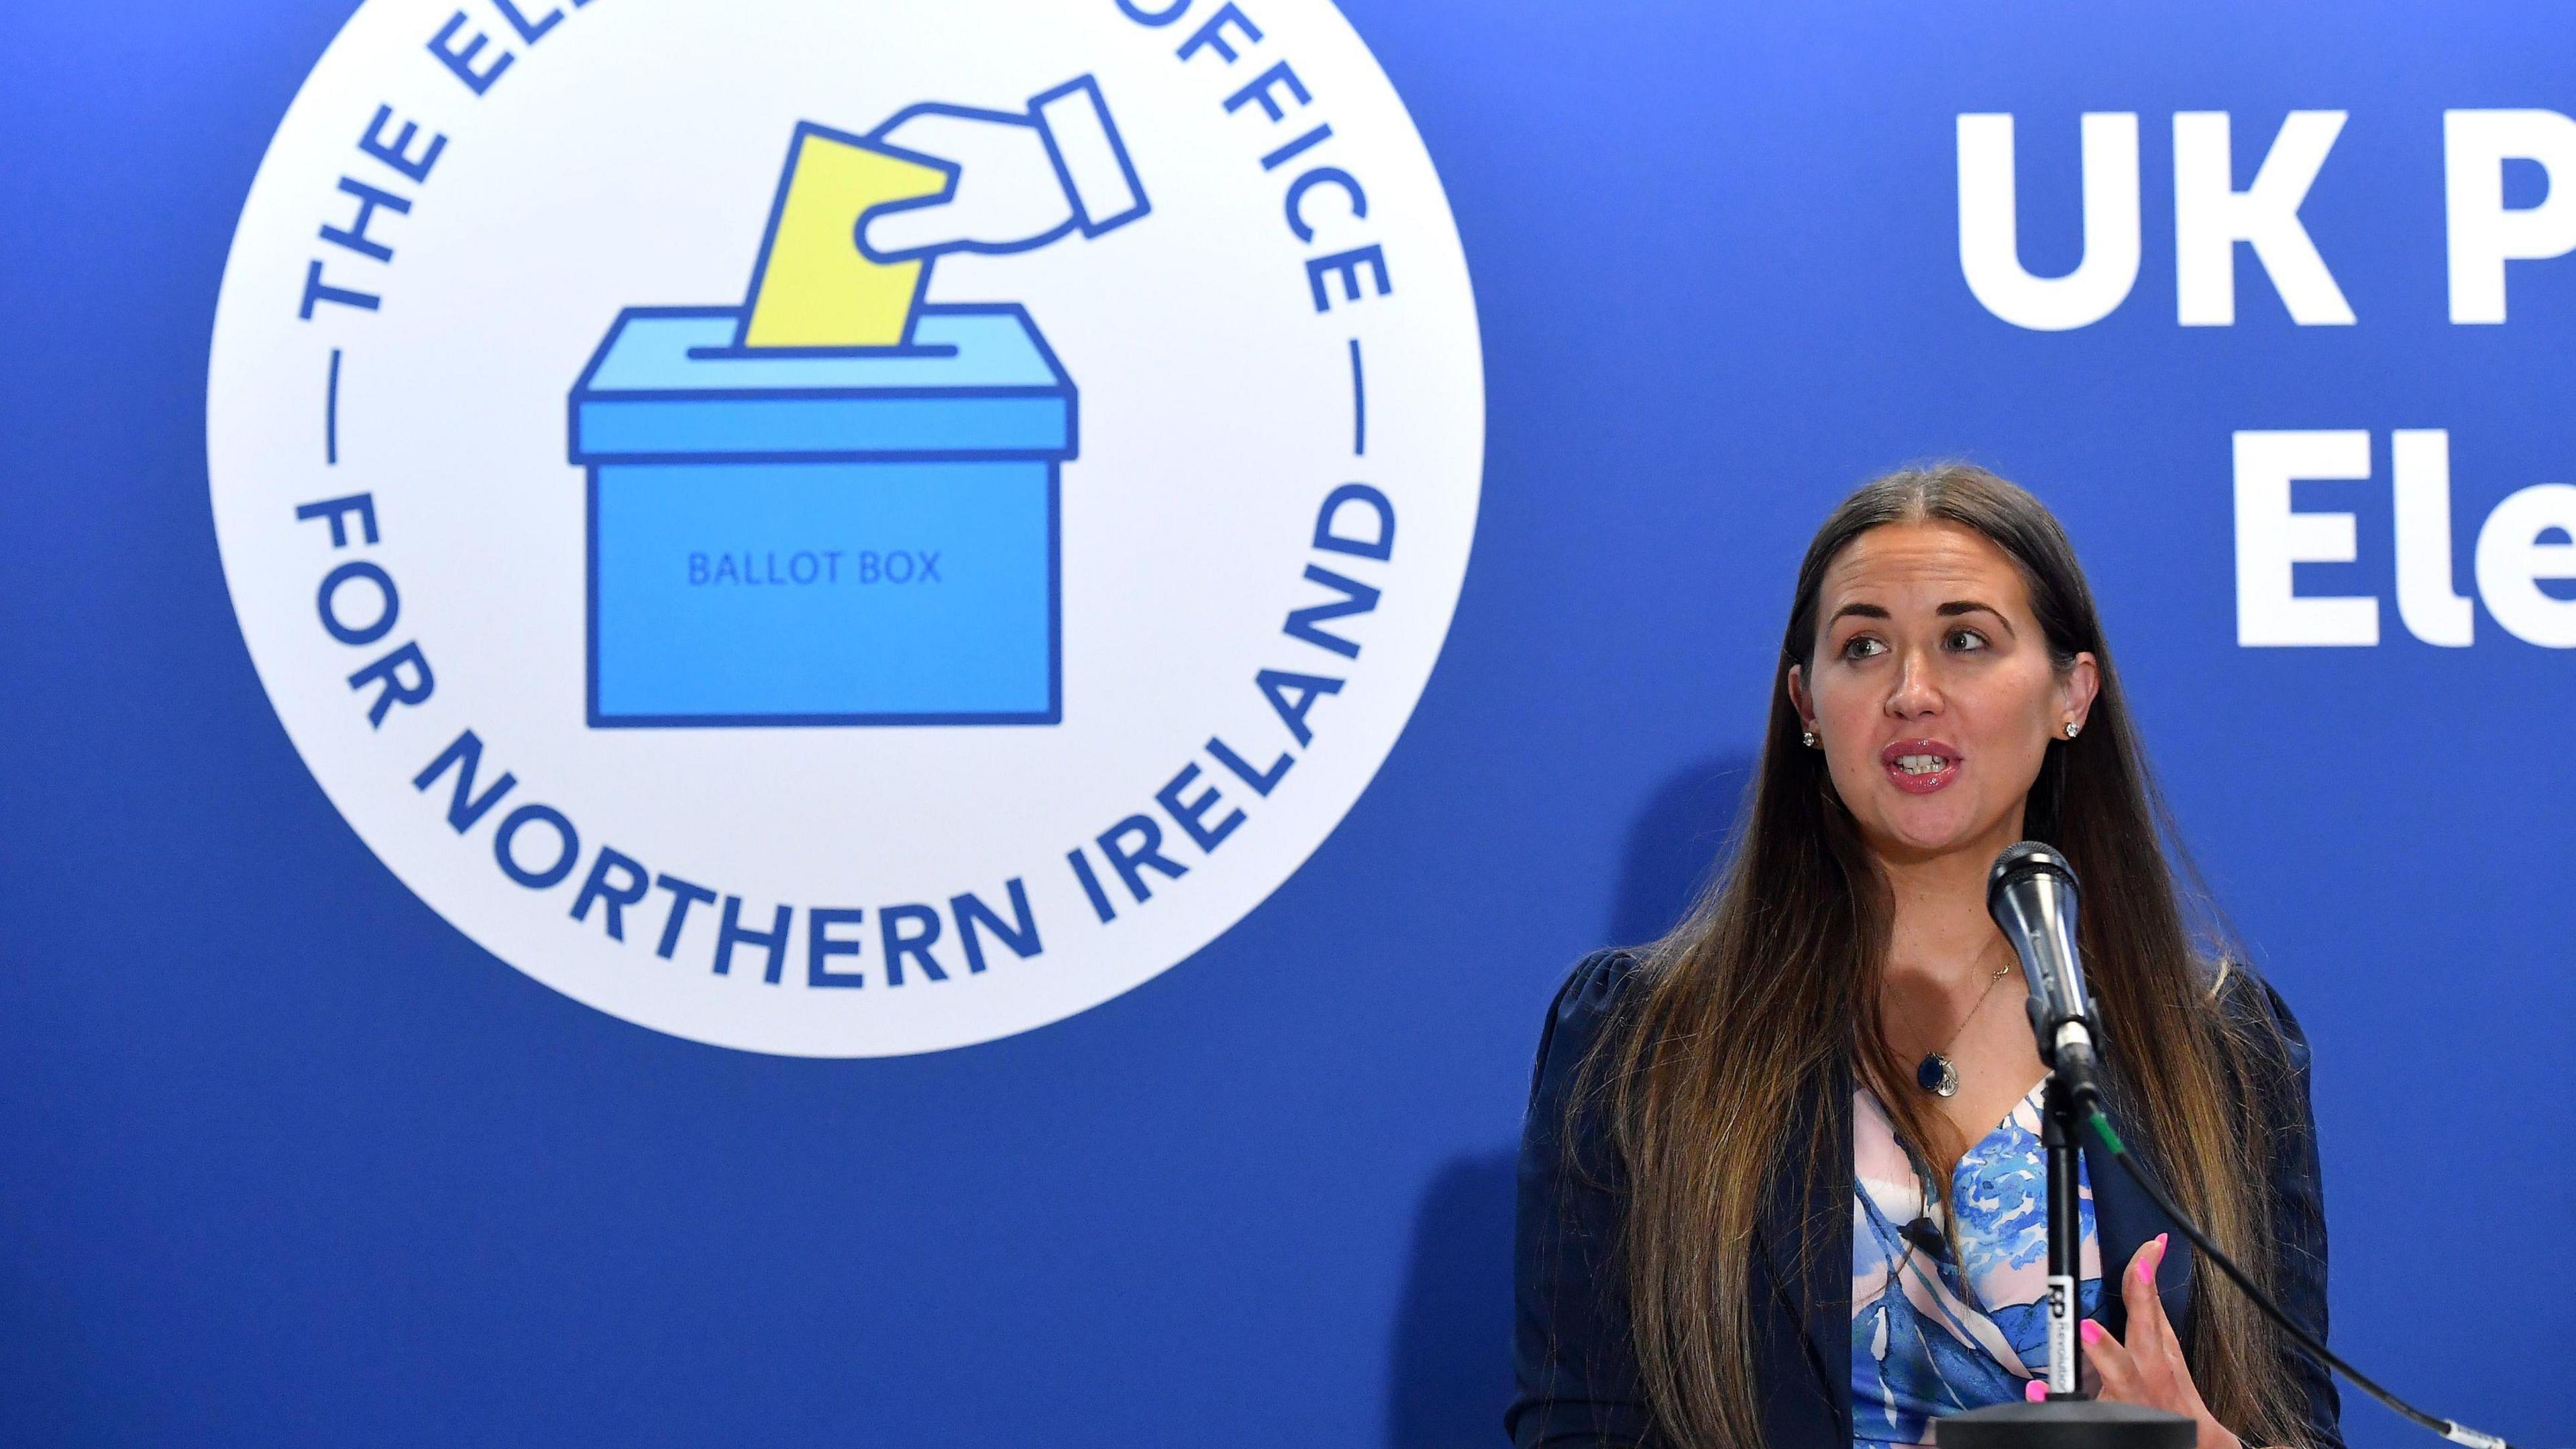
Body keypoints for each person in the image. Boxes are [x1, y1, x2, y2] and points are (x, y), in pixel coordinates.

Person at [1506, 466, 2337, 1449]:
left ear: (2073, 692)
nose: (1911, 693)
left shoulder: (2221, 1055)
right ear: (1806, 704)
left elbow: (2296, 1424)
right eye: (1863, 647)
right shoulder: (1644, 1045)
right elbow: (1581, 1430)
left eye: (1966, 641)